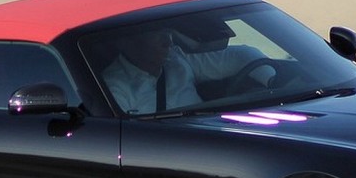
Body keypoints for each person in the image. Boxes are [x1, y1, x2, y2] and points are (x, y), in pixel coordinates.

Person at [100, 28, 271, 115]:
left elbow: (243, 55)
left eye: (167, 32)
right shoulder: (113, 88)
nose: (167, 41)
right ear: (127, 43)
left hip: (214, 136)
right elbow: (125, 140)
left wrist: (273, 81)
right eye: (155, 34)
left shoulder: (176, 59)